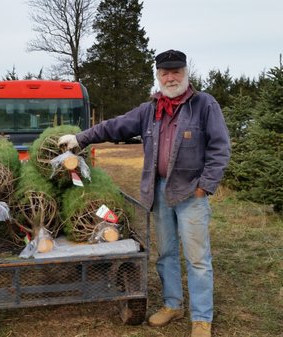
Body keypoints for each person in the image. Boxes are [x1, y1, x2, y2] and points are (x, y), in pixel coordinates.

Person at [58, 50, 230, 337]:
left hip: (191, 193)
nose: (170, 77)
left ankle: (201, 318)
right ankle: (173, 305)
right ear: (158, 75)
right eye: (165, 72)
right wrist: (80, 138)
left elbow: (220, 148)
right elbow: (115, 125)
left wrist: (205, 186)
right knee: (165, 253)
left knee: (197, 258)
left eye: (176, 71)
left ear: (186, 73)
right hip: (159, 191)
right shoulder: (150, 109)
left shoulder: (203, 105)